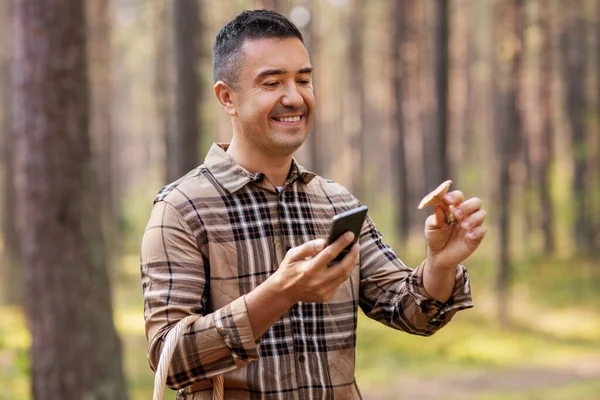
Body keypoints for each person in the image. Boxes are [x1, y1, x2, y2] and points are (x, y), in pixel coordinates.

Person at [141, 9, 487, 399]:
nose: (294, 97)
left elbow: (411, 313)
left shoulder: (336, 204)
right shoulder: (181, 210)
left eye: (303, 80)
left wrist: (440, 263)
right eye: (272, 83)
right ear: (227, 98)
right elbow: (169, 359)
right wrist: (280, 293)